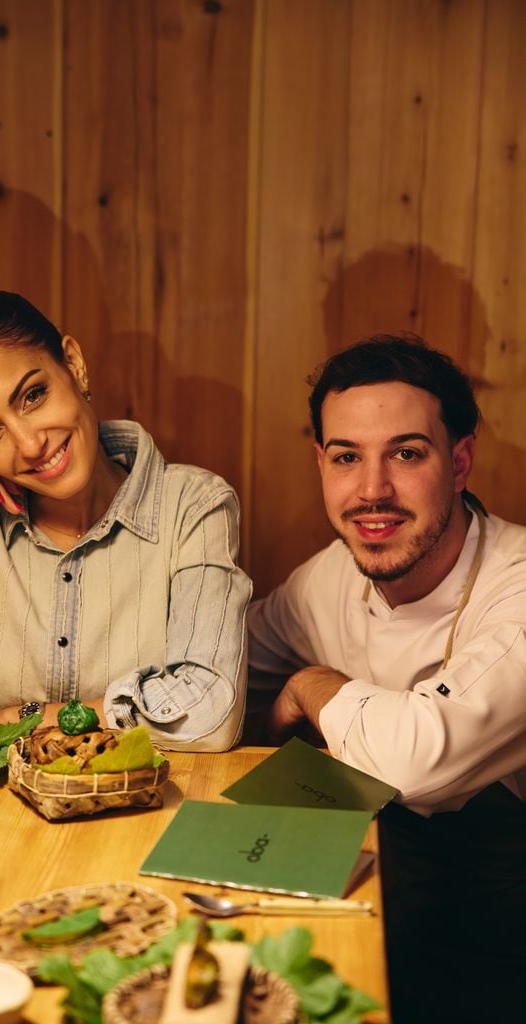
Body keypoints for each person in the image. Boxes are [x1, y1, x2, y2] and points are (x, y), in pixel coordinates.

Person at [247, 335, 526, 1023]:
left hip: (501, 949)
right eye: (346, 457)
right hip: (369, 910)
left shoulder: (515, 589)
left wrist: (309, 685)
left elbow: (414, 761)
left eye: (405, 453)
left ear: (458, 462)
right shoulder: (325, 579)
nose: (371, 490)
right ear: (320, 463)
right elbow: (219, 671)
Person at [0, 290, 251, 750]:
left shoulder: (193, 507)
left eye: (33, 396)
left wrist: (33, 717)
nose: (30, 444)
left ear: (73, 364)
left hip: (140, 816)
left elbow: (210, 710)